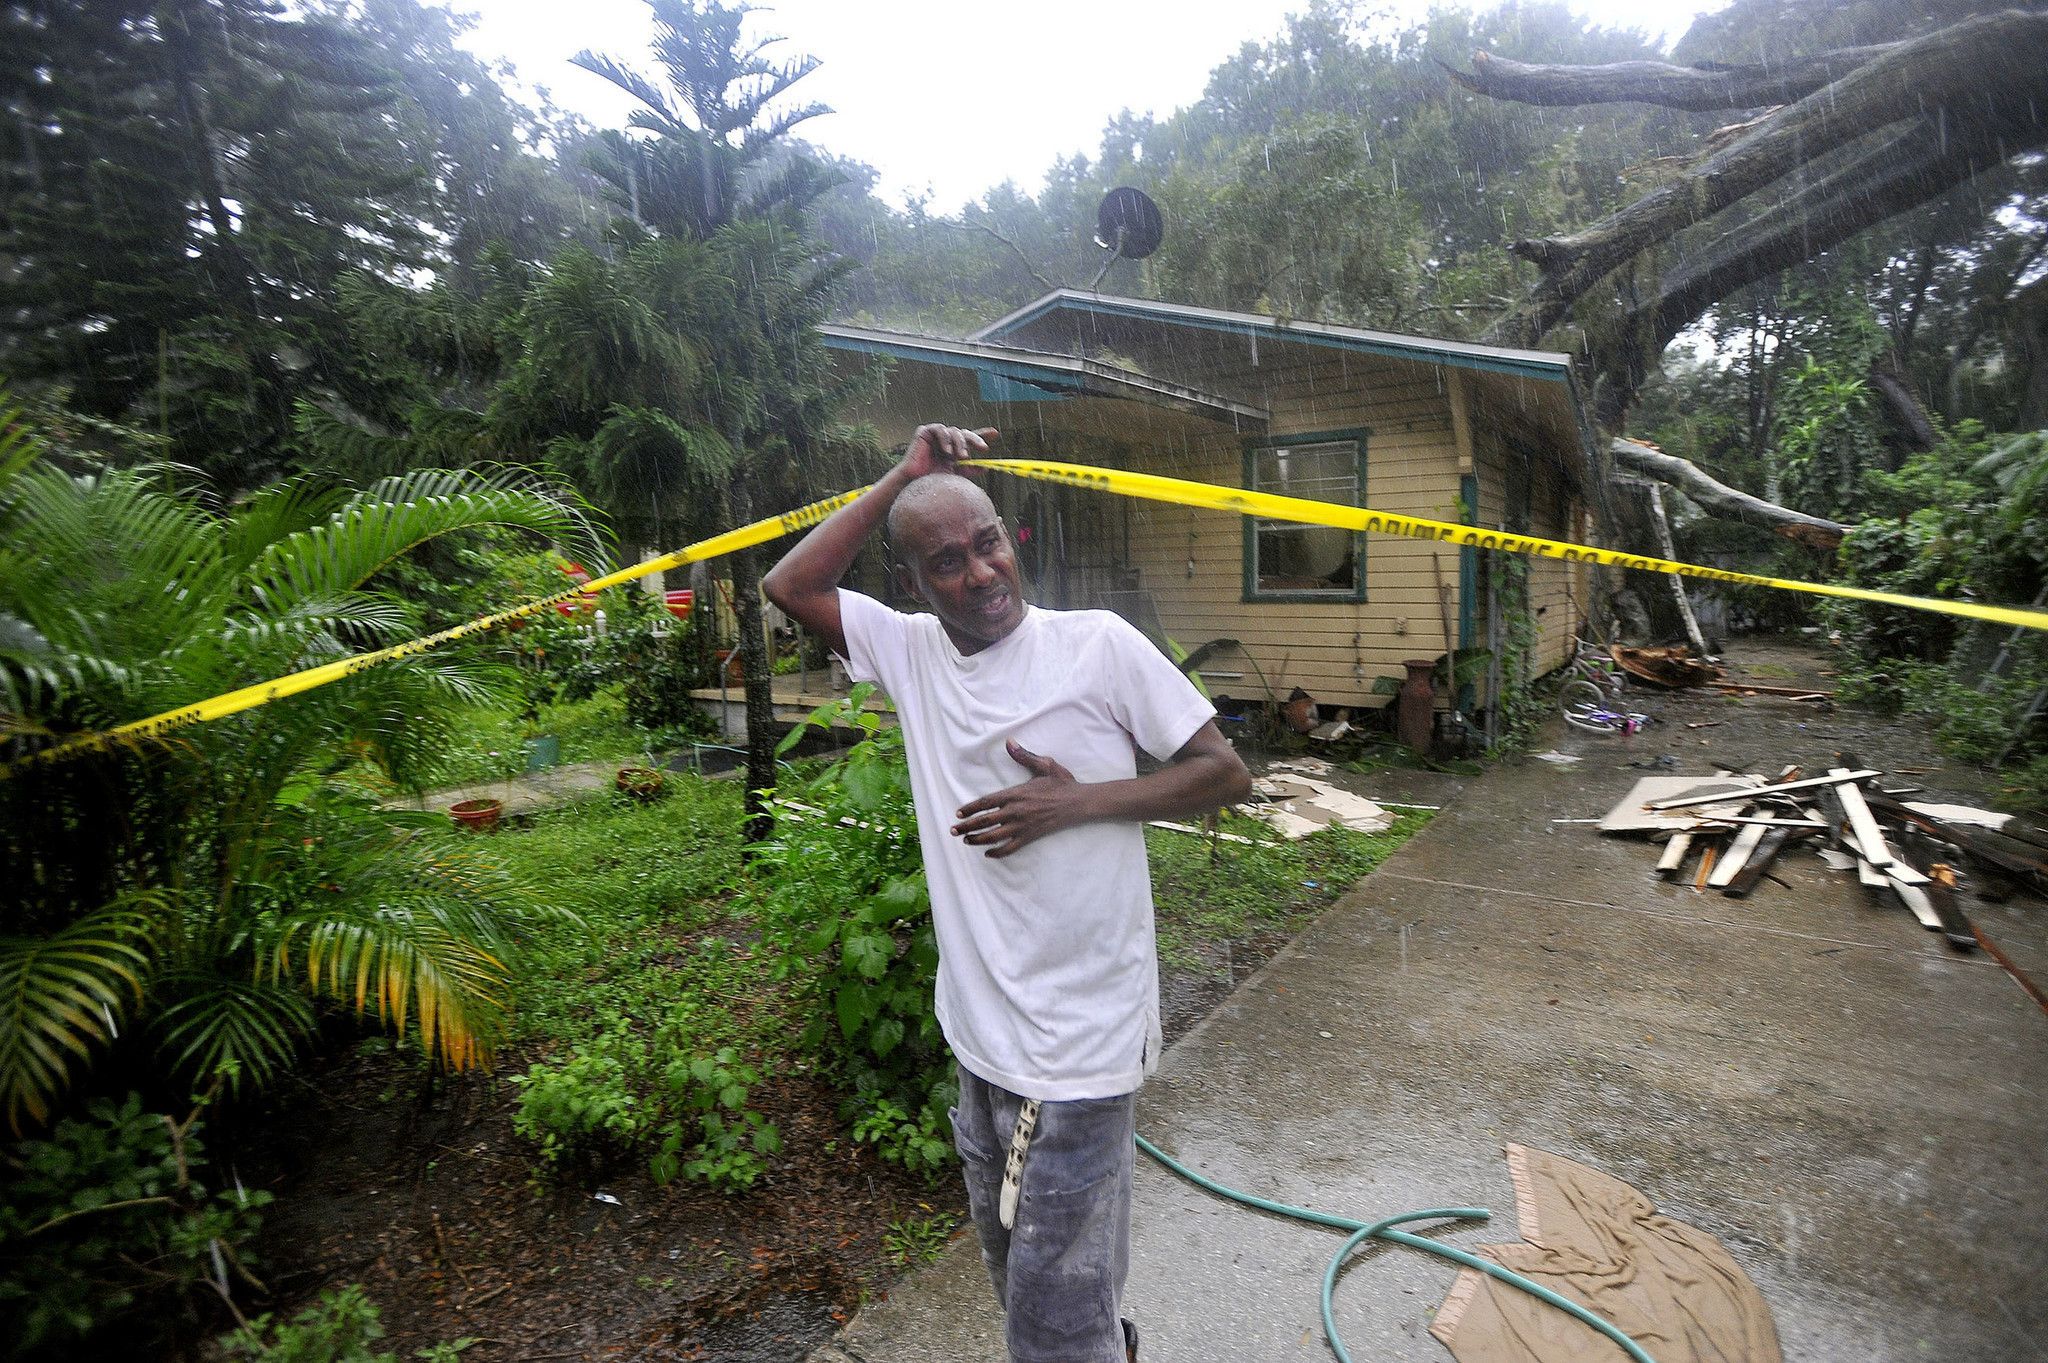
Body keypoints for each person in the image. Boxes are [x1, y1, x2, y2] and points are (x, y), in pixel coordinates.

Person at [764, 424, 1251, 1363]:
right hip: (980, 1043)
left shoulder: (1097, 648)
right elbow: (791, 586)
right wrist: (903, 475)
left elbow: (1223, 771)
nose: (981, 573)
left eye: (989, 542)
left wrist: (1076, 802)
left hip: (1081, 1047)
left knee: (1050, 1324)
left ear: (1009, 537)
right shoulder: (910, 655)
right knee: (1021, 1279)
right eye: (946, 562)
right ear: (914, 584)